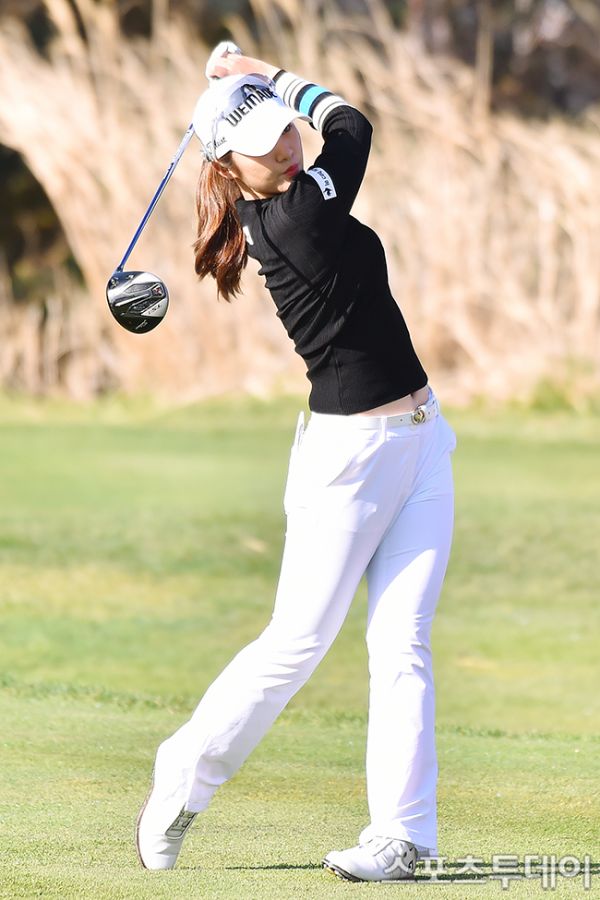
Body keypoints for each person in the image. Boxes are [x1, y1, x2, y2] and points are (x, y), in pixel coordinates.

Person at [135, 43, 457, 882]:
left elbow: (335, 132)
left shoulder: (293, 198)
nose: (286, 147)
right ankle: (184, 774)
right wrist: (267, 70)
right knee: (297, 643)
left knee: (403, 641)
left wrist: (256, 85)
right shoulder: (295, 216)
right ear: (227, 167)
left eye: (285, 131)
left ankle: (403, 836)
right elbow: (351, 124)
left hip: (423, 441)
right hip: (349, 463)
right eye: (263, 144)